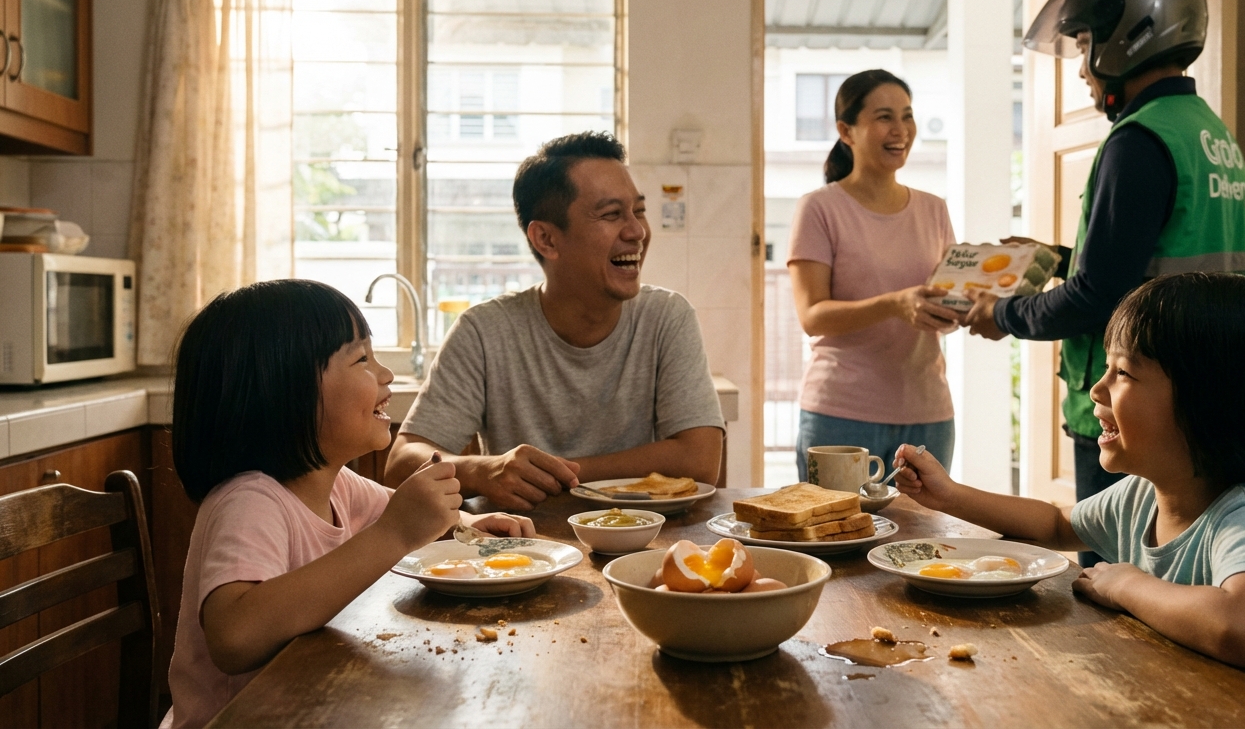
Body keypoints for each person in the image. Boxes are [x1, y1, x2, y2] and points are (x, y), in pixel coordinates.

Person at [896, 273, 1245, 715]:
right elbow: (1055, 524)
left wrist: (1128, 585)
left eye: (1123, 372)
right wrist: (950, 496)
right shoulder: (1144, 496)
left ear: (1211, 402)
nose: (1096, 388)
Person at [961, 0, 1245, 566]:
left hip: (1134, 408)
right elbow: (1158, 259)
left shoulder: (1138, 141)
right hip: (1202, 402)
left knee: (1114, 594)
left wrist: (1003, 313)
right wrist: (1059, 257)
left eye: (1086, 43)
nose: (1084, 67)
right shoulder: (1208, 134)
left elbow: (1098, 294)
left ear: (1130, 38)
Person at [165, 280, 534, 729]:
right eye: (362, 359)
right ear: (288, 391)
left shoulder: (336, 486)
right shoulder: (249, 501)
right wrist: (393, 534)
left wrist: (473, 525)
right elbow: (234, 638)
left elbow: (411, 516)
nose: (386, 375)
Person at [384, 132, 725, 510]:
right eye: (612, 215)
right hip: (517, 551)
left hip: (640, 542)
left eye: (638, 211)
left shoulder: (666, 318)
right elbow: (401, 463)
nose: (637, 231)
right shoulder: (485, 331)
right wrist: (482, 471)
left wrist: (552, 473)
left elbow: (699, 460)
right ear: (546, 239)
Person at [787, 69, 960, 482]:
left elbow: (947, 301)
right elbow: (812, 314)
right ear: (846, 130)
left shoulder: (934, 209)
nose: (900, 130)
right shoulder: (819, 208)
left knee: (920, 544)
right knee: (831, 537)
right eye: (884, 117)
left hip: (928, 415)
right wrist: (896, 304)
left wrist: (974, 303)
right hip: (840, 415)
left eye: (907, 115)